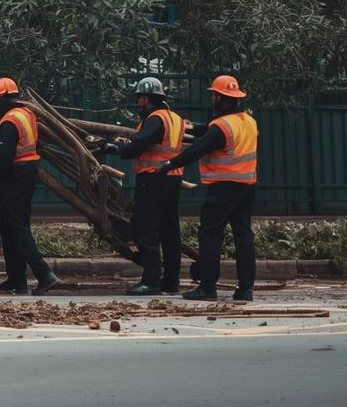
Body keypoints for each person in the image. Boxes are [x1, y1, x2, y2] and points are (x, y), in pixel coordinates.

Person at [159, 74, 258, 302]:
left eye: (214, 95)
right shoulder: (248, 121)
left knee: (210, 233)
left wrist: (171, 163)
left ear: (221, 98)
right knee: (243, 235)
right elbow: (210, 133)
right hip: (247, 185)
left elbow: (199, 149)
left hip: (224, 187)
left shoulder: (222, 127)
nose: (212, 99)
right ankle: (245, 289)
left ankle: (207, 288)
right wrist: (193, 127)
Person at [97, 76, 187, 295]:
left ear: (148, 98)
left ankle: (151, 281)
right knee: (169, 230)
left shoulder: (155, 119)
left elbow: (139, 145)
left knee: (146, 229)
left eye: (140, 98)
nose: (139, 103)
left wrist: (115, 149)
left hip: (153, 178)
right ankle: (171, 281)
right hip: (172, 178)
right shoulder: (174, 118)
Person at [0, 77, 61, 296]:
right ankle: (17, 279)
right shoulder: (27, 114)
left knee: (17, 228)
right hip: (27, 174)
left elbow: (6, 158)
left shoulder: (8, 122)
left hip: (15, 177)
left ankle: (44, 274)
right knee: (11, 228)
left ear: (1, 99)